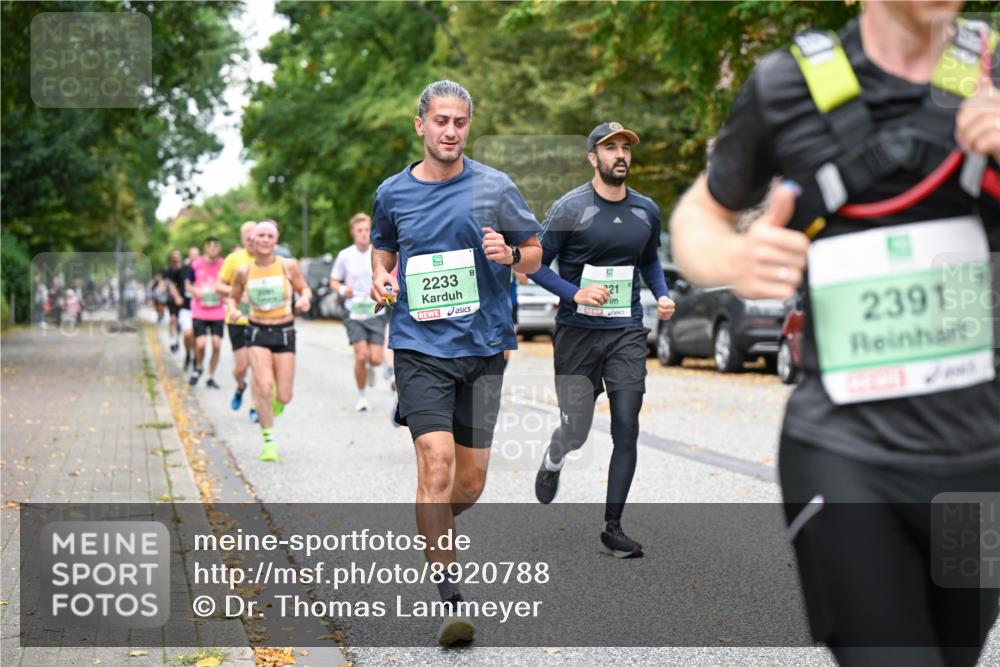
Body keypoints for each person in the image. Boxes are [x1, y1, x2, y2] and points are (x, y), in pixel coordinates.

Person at [670, 2, 999, 664]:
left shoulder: (992, 70)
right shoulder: (786, 83)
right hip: (844, 454)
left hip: (980, 466)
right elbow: (698, 217)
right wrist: (735, 258)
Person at [370, 80, 542, 646]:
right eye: (441, 120)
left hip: (484, 349)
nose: (450, 131)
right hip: (419, 348)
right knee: (437, 464)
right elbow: (383, 249)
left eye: (460, 122)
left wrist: (510, 254)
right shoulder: (392, 193)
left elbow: (535, 253)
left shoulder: (495, 187)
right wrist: (381, 276)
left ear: (469, 126)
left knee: (468, 483)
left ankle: (431, 522)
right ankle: (450, 601)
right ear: (420, 124)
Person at [528, 122, 675, 558]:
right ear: (593, 157)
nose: (621, 154)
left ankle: (613, 527)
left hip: (625, 330)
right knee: (577, 428)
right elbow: (535, 265)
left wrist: (662, 294)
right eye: (611, 148)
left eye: (625, 147)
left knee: (626, 423)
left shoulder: (646, 210)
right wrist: (574, 293)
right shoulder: (570, 208)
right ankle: (556, 454)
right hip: (578, 334)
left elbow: (649, 261)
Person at [227, 220, 311, 462]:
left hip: (284, 331)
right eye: (260, 235)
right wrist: (233, 310)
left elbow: (304, 289)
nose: (264, 240)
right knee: (263, 386)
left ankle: (275, 405)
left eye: (269, 236)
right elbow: (232, 298)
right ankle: (269, 441)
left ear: (276, 239)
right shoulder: (244, 271)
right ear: (252, 240)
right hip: (257, 331)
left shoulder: (288, 265)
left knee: (284, 396)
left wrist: (304, 299)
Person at [330, 212, 387, 412]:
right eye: (359, 230)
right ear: (352, 233)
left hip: (375, 310)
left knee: (376, 359)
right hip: (353, 311)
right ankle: (362, 397)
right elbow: (333, 280)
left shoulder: (380, 253)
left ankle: (371, 367)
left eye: (367, 229)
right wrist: (342, 289)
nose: (364, 233)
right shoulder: (345, 255)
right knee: (361, 356)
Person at [217, 221, 259, 422]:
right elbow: (219, 286)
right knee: (241, 367)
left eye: (254, 238)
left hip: (260, 320)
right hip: (236, 320)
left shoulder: (266, 259)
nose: (251, 241)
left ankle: (255, 406)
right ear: (242, 239)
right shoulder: (233, 259)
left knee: (257, 365)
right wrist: (238, 292)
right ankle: (240, 386)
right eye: (247, 238)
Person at [186, 236, 226, 388]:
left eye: (216, 246)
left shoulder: (224, 264)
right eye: (210, 246)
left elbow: (231, 283)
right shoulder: (196, 264)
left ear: (219, 248)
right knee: (201, 344)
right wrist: (195, 291)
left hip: (217, 311)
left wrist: (223, 291)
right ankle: (198, 367)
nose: (213, 249)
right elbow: (187, 284)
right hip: (200, 310)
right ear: (205, 248)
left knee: (216, 344)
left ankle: (210, 376)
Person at [164, 249, 194, 362]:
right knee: (173, 319)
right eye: (174, 255)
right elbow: (170, 285)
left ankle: (180, 340)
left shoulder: (184, 268)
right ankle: (173, 340)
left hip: (184, 300)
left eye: (178, 255)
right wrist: (176, 297)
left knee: (182, 324)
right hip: (173, 300)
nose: (176, 257)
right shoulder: (168, 270)